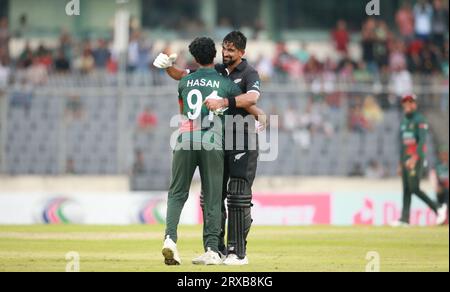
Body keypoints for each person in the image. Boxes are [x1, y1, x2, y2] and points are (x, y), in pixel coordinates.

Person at [154, 31, 265, 266]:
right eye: (223, 49)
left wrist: (167, 66)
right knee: (213, 197)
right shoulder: (222, 80)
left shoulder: (187, 80)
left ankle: (170, 239)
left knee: (177, 194)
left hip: (188, 139)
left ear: (193, 57)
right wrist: (261, 115)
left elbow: (182, 92)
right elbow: (247, 101)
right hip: (212, 141)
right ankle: (213, 249)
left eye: (231, 50)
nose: (226, 53)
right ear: (215, 54)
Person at [391, 94, 448, 227]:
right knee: (406, 188)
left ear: (414, 104)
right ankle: (404, 219)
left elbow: (422, 141)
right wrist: (400, 163)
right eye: (405, 102)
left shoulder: (420, 119)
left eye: (410, 102)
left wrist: (415, 157)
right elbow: (403, 144)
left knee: (414, 188)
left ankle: (438, 207)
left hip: (415, 159)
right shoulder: (404, 121)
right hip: (405, 159)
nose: (407, 105)